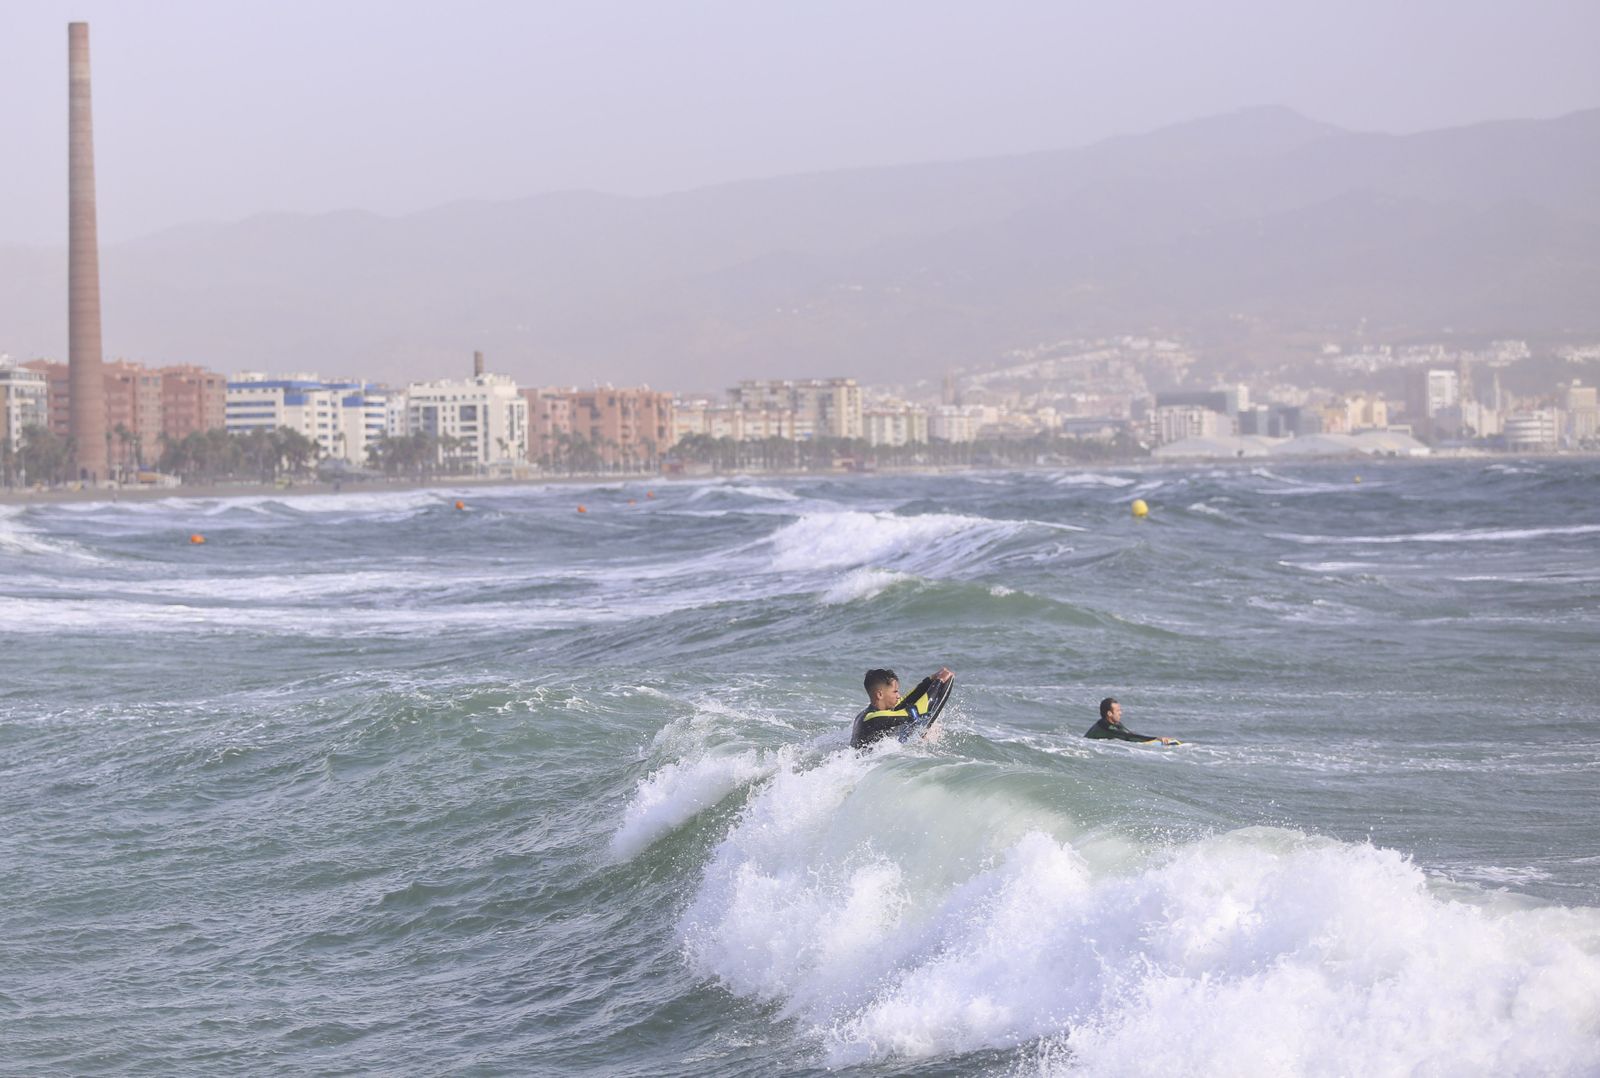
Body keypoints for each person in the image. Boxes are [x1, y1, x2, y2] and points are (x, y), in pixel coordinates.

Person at [851, 666, 953, 748]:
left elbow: (905, 702)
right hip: (867, 765)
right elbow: (916, 713)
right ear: (880, 695)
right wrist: (939, 681)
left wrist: (932, 679)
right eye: (895, 691)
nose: (898, 695)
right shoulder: (874, 718)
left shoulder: (870, 713)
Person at [1084, 697, 1177, 745]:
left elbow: (1129, 733)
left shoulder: (1115, 724)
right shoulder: (1105, 726)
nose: (1121, 713)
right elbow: (1128, 736)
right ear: (1109, 713)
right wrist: (1154, 738)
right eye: (1118, 711)